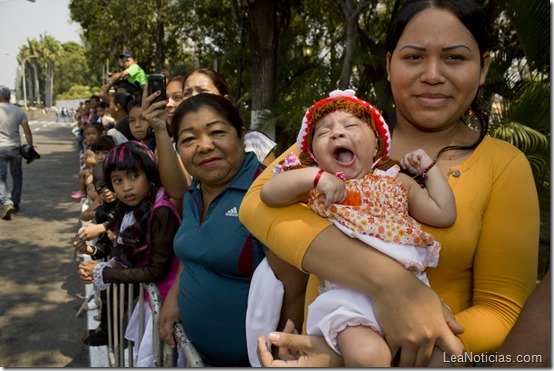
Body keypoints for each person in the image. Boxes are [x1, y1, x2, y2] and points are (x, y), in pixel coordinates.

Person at [240, 0, 539, 366]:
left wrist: (381, 351)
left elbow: (502, 310)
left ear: (483, 68)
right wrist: (390, 284)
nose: (432, 74)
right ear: (388, 63)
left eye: (455, 58)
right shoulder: (343, 134)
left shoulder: (504, 165)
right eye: (413, 57)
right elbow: (256, 203)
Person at [260, 89, 456, 366]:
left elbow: (443, 213)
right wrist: (314, 177)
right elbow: (268, 195)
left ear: (376, 143)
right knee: (368, 357)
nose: (337, 134)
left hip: (413, 293)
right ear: (313, 153)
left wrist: (429, 168)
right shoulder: (315, 185)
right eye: (324, 132)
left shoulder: (397, 180)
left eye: (350, 126)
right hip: (348, 297)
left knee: (449, 357)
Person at [142, 92, 302, 366]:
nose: (204, 146)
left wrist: (280, 354)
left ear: (241, 135)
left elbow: (295, 287)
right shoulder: (194, 190)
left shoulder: (268, 193)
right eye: (188, 139)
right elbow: (193, 254)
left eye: (216, 132)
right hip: (197, 357)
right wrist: (173, 301)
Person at [78, 140, 180, 357]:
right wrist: (106, 264)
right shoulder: (132, 208)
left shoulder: (161, 210)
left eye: (134, 176)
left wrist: (104, 272)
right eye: (118, 180)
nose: (126, 187)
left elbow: (155, 270)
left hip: (168, 304)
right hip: (153, 301)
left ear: (149, 174)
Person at [183, 68, 278, 166]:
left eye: (202, 91)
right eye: (187, 94)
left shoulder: (254, 141)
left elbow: (273, 177)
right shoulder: (181, 149)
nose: (194, 97)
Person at [0, 86, 33, 220]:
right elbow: (26, 130)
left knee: (0, 177)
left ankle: (7, 201)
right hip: (15, 147)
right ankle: (15, 201)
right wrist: (30, 146)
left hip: (0, 148)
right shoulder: (18, 111)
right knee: (17, 176)